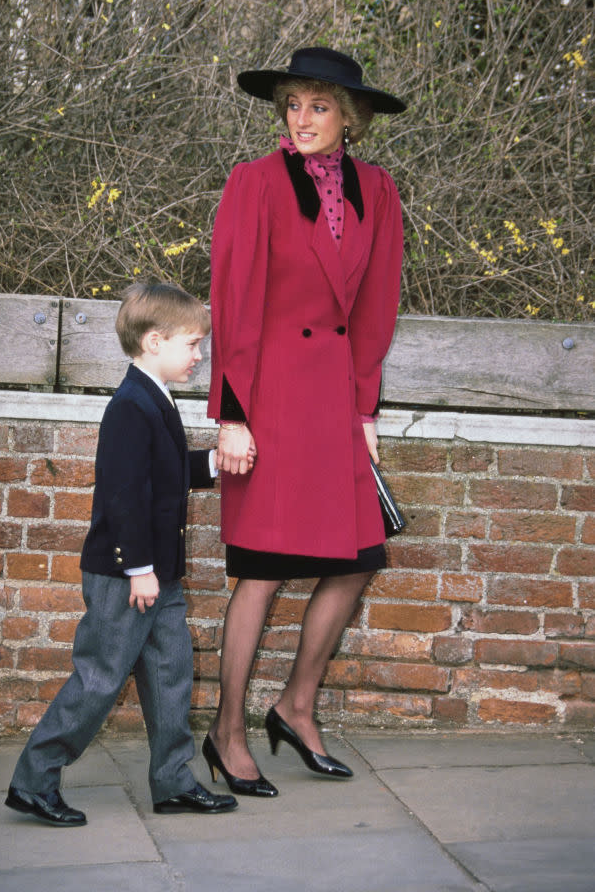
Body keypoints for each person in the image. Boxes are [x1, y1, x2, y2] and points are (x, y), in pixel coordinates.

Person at [204, 46, 406, 797]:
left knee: (357, 560)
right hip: (271, 401)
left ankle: (295, 704)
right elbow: (235, 302)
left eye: (319, 106)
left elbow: (377, 304)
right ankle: (226, 732)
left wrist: (366, 410)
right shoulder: (254, 183)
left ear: (350, 119)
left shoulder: (378, 191)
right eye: (294, 104)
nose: (303, 118)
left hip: (335, 407)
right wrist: (233, 416)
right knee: (260, 571)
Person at [6, 282, 239, 825]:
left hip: (159, 575)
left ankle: (174, 781)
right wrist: (138, 569)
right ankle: (34, 781)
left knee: (171, 672)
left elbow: (162, 474)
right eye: (193, 344)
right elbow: (123, 494)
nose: (200, 355)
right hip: (127, 575)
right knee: (100, 677)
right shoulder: (130, 406)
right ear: (154, 341)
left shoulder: (154, 398)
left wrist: (214, 467)